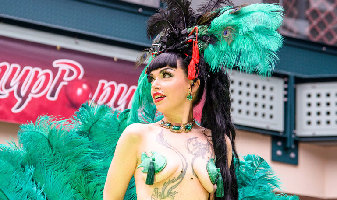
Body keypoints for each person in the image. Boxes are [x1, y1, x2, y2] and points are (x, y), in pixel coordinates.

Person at [104, 0, 287, 200]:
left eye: (166, 75)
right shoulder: (137, 135)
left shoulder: (217, 141)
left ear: (193, 85)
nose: (155, 85)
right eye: (152, 78)